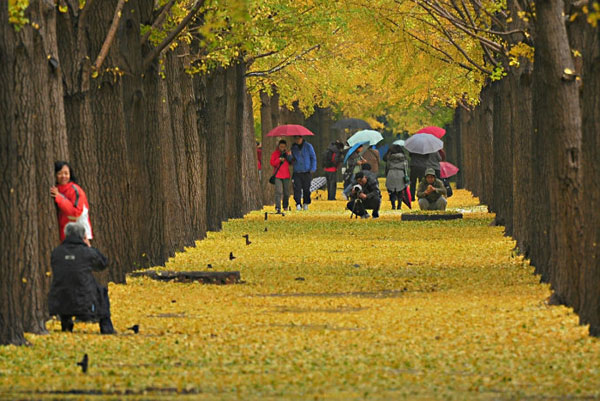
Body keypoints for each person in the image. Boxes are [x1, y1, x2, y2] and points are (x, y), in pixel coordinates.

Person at [48, 222, 115, 334]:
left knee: (65, 284)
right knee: (102, 292)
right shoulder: (87, 252)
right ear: (83, 236)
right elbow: (103, 264)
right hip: (84, 299)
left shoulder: (57, 252)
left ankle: (66, 324)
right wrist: (89, 246)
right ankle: (106, 327)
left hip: (60, 299)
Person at [50, 161, 93, 242]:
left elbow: (76, 212)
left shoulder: (75, 190)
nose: (63, 176)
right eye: (60, 173)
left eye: (66, 173)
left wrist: (59, 198)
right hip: (65, 234)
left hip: (80, 234)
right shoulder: (57, 190)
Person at [290, 135, 317, 211]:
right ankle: (298, 203)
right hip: (297, 171)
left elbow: (313, 157)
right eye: (296, 138)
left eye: (298, 138)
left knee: (306, 189)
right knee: (297, 188)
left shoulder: (308, 146)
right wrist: (289, 155)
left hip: (306, 171)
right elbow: (291, 160)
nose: (297, 140)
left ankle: (306, 203)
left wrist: (313, 168)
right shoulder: (293, 148)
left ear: (302, 138)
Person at [270, 139, 293, 213]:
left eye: (283, 147)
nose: (282, 148)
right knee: (278, 191)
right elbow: (272, 163)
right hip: (278, 175)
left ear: (285, 147)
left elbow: (291, 162)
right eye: (281, 146)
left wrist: (289, 156)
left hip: (286, 175)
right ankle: (278, 207)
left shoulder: (287, 154)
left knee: (286, 192)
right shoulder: (275, 154)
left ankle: (285, 206)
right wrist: (279, 160)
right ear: (278, 146)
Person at [384, 144, 409, 210]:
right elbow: (406, 168)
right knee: (400, 190)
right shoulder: (404, 158)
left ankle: (393, 205)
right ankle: (399, 205)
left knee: (391, 191)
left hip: (391, 173)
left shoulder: (389, 158)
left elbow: (387, 167)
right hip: (400, 174)